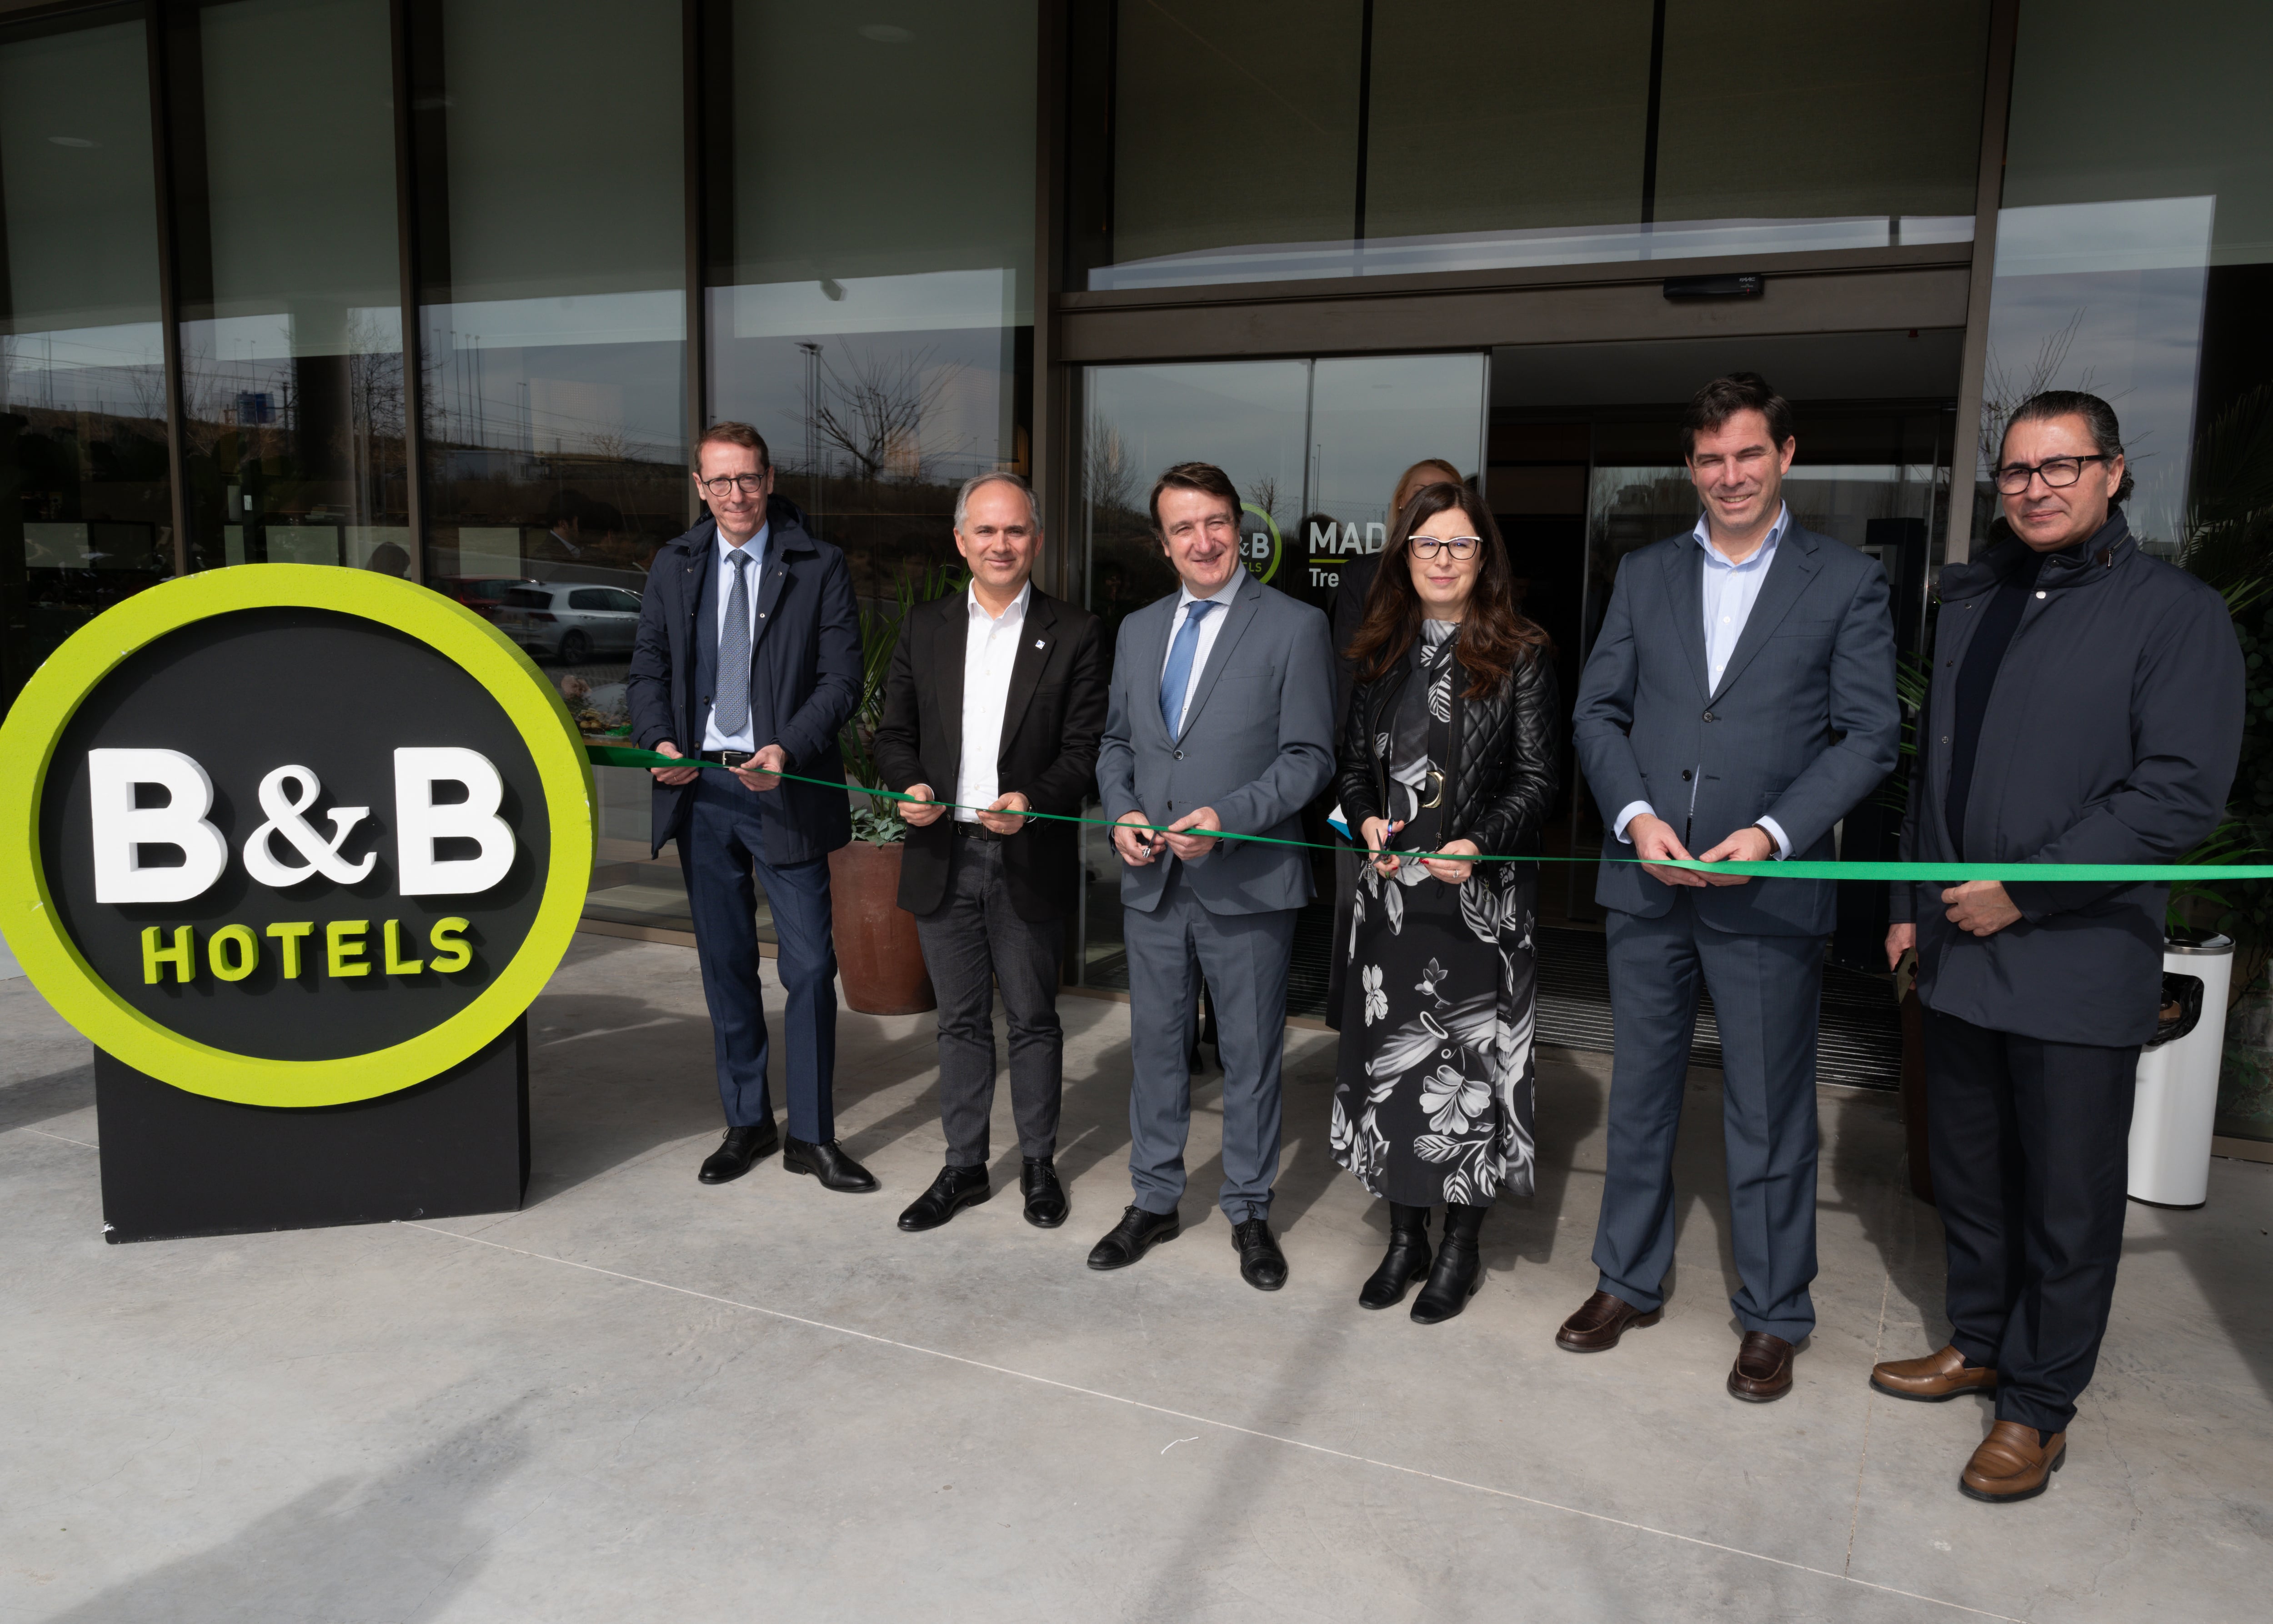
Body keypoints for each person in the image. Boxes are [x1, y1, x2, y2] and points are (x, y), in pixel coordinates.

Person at [1876, 392, 2242, 1502]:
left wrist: (2021, 892)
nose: (2035, 487)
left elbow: (2177, 796)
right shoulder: (1977, 598)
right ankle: (1979, 1339)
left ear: (2113, 474)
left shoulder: (2175, 615)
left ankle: (2037, 1406)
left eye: (2060, 466)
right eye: (2017, 471)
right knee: (1973, 1181)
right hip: (1957, 955)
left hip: (2074, 960)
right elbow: (1934, 770)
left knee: (2069, 1203)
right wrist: (1907, 892)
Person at [1566, 373, 1898, 1399]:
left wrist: (1775, 830)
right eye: (1709, 460)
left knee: (1768, 1111)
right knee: (1642, 1099)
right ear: (1690, 466)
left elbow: (1870, 733)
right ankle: (1626, 1277)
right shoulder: (1644, 572)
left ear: (1786, 455)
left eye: (1748, 455)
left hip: (1766, 891)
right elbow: (1597, 714)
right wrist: (1634, 819)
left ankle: (1772, 1314)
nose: (1729, 476)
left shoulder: (1843, 581)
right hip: (1650, 879)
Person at [1091, 461, 1337, 1290]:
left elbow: (1310, 758)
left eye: (1217, 521)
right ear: (1163, 544)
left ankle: (1249, 1209)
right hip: (1154, 880)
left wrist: (1227, 818)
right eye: (1185, 527)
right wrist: (1122, 810)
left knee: (1251, 1054)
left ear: (1241, 527)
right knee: (1157, 1048)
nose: (1205, 539)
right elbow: (1118, 743)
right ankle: (1154, 1199)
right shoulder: (1136, 629)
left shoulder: (1295, 626)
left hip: (1250, 880)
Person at [626, 421, 876, 1194]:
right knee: (725, 964)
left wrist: (788, 751)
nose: (736, 495)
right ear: (700, 487)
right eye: (720, 481)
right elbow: (648, 665)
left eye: (749, 479)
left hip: (784, 789)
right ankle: (747, 1121)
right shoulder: (676, 563)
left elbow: (841, 679)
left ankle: (812, 1135)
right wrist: (660, 741)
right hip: (701, 791)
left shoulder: (818, 564)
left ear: (770, 480)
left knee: (809, 966)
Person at [1331, 484, 1559, 1323]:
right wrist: (1363, 818)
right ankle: (1405, 1238)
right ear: (1405, 556)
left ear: (1483, 557)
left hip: (1481, 907)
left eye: (1459, 546)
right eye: (1427, 545)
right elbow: (1352, 767)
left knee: (1467, 1072)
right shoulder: (1381, 649)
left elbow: (1540, 780)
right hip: (1393, 904)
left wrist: (1481, 841)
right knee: (1395, 1073)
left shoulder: (1523, 652)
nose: (1442, 560)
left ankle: (1459, 1245)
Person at [872, 472, 1106, 1233]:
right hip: (943, 852)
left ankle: (1039, 1164)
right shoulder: (926, 626)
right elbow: (893, 732)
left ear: (1035, 540)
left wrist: (1032, 802)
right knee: (961, 1021)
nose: (1000, 544)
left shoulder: (1074, 631)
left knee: (1034, 1018)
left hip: (1025, 854)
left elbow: (1083, 750)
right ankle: (964, 1166)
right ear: (961, 541)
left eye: (1014, 531)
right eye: (986, 531)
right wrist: (906, 781)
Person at [1326, 457, 1467, 1032]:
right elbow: (1346, 680)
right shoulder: (1367, 576)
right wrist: (1352, 793)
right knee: (1368, 936)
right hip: (1372, 790)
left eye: (1441, 497)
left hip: (1453, 816)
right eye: (1416, 497)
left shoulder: (1503, 641)